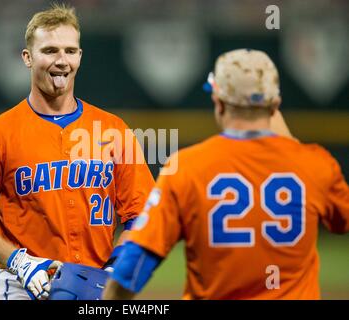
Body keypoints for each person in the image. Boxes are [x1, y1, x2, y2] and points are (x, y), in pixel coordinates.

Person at [0, 3, 154, 300]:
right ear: (28, 58)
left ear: (80, 56)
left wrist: (118, 266)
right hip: (24, 285)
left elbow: (141, 214)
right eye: (50, 50)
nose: (61, 60)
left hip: (95, 283)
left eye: (70, 51)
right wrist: (18, 260)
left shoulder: (114, 130)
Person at [102, 49, 349, 300]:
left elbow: (133, 267)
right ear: (275, 105)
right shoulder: (317, 165)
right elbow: (342, 221)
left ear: (218, 102)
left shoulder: (186, 167)